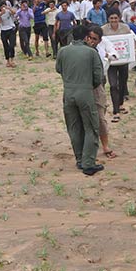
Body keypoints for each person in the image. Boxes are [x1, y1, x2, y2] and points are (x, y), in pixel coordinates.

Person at [56, 24, 104, 176]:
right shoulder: (91, 52)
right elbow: (98, 77)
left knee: (74, 127)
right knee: (91, 127)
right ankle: (88, 163)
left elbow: (59, 69)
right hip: (85, 92)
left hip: (68, 92)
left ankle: (79, 159)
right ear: (86, 37)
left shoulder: (63, 51)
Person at [85, 25, 117, 159]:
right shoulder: (81, 48)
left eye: (95, 39)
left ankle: (105, 145)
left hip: (99, 83)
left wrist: (107, 56)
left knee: (100, 115)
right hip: (83, 84)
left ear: (100, 40)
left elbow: (115, 55)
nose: (91, 41)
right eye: (90, 38)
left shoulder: (103, 46)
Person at [102, 11, 132, 123]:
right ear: (108, 19)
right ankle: (116, 112)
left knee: (122, 84)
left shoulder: (125, 28)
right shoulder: (103, 30)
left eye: (115, 18)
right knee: (113, 85)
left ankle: (120, 104)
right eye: (111, 18)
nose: (114, 20)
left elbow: (130, 42)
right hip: (111, 63)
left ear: (119, 18)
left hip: (123, 61)